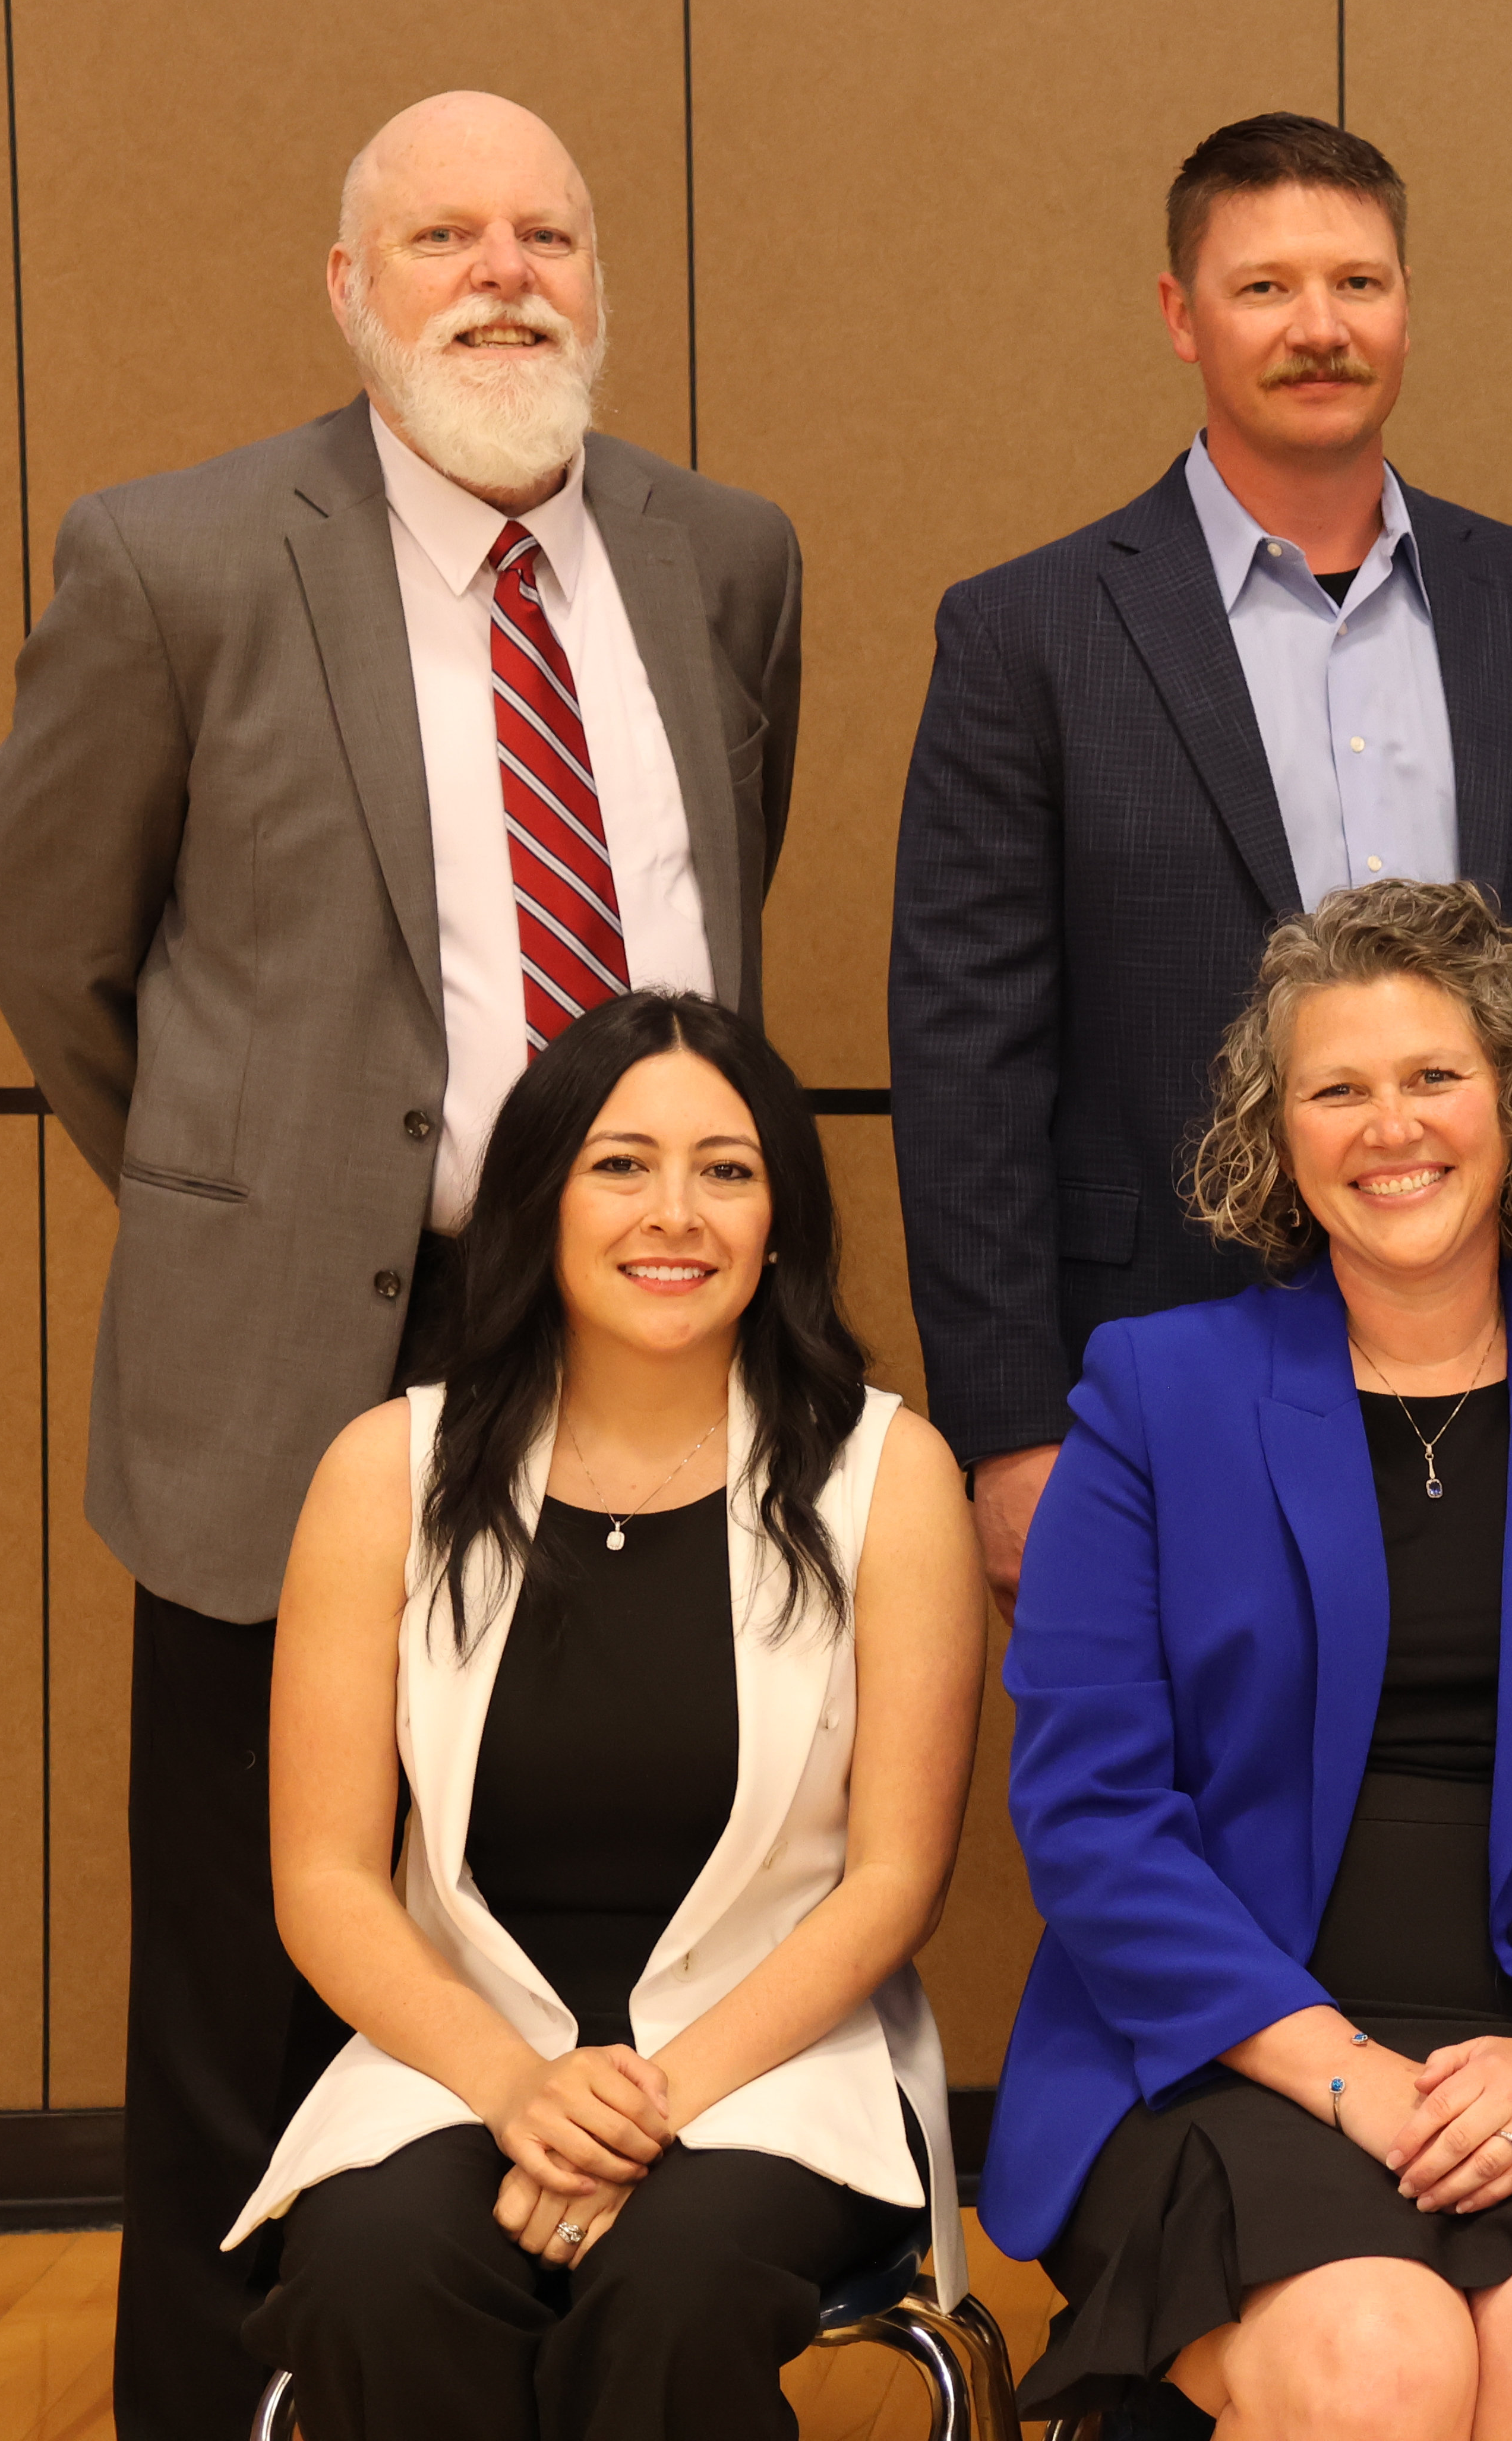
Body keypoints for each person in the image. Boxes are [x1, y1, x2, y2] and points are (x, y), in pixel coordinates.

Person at [0, 91, 803, 2440]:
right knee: (252, 1953)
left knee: (604, 1882)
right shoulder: (179, 558)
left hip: (644, 1330)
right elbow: (47, 937)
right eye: (441, 232)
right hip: (303, 1356)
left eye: (546, 230)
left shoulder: (727, 558)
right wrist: (255, 1192)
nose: (500, 272)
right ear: (350, 287)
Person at [987, 882, 1512, 2440]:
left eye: (1434, 1077)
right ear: (1274, 1139)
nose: (1389, 1126)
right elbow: (1093, 1813)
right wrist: (1343, 2071)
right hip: (1233, 2052)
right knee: (1381, 2359)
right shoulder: (1152, 1397)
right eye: (1335, 1089)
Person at [894, 112, 1512, 1608]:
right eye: (1266, 286)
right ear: (1180, 315)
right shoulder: (1031, 637)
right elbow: (968, 1064)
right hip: (1164, 1359)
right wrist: (1010, 1434)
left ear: (1409, 303)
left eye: (1360, 282)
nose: (1320, 328)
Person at [225, 991, 982, 2437]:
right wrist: (518, 2088)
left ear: (781, 1221)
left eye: (729, 1168)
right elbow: (323, 1881)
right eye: (622, 1163)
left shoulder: (890, 1476)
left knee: (677, 2288)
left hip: (765, 2067)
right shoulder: (388, 1471)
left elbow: (896, 1879)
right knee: (380, 2277)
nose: (676, 1212)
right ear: (541, 1198)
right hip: (459, 2060)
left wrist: (644, 2103)